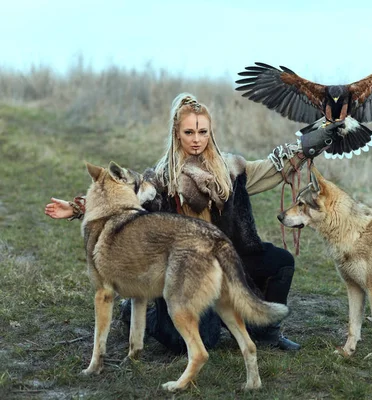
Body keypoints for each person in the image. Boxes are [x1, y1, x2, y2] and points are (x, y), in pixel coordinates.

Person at [45, 92, 335, 352]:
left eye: (202, 131)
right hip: (185, 264)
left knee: (280, 261)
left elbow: (271, 169)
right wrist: (77, 209)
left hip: (227, 252)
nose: (197, 138)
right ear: (177, 133)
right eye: (189, 132)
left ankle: (266, 333)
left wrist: (308, 146)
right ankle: (134, 311)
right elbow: (120, 200)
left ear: (210, 132)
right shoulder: (161, 177)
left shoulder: (229, 168)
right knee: (202, 338)